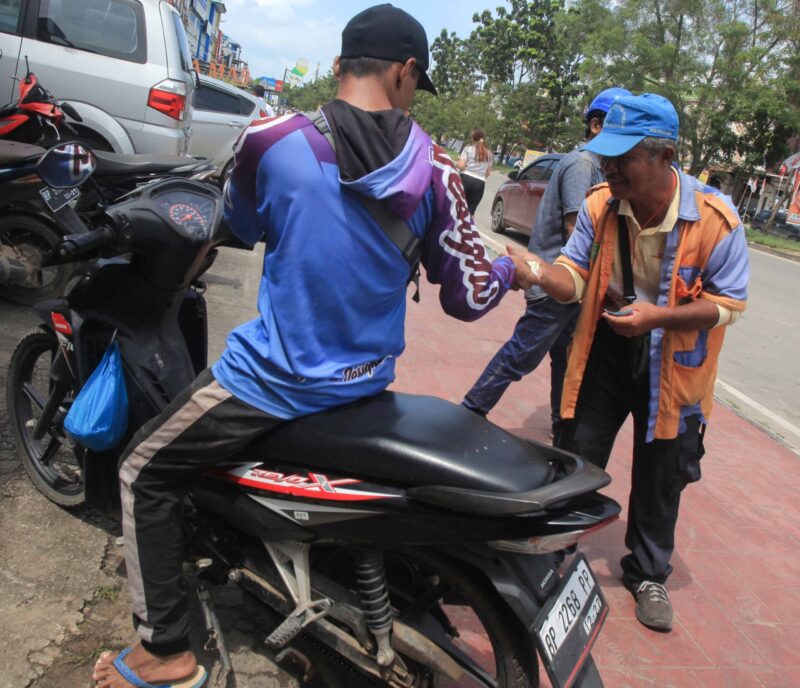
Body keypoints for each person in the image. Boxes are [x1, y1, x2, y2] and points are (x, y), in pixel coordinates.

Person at [92, 4, 529, 687]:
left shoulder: (270, 137)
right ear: (406, 71)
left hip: (268, 384)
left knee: (143, 471)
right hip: (364, 383)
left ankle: (165, 651)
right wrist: (516, 268)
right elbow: (470, 297)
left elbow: (232, 221)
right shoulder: (439, 168)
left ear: (336, 66)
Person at [510, 93, 749, 632]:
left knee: (663, 469)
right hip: (606, 347)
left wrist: (659, 317)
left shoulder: (716, 221)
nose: (609, 167)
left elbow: (729, 307)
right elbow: (572, 276)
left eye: (624, 157)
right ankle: (553, 552)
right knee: (577, 448)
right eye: (606, 155)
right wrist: (537, 273)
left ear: (665, 158)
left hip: (676, 359)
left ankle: (648, 574)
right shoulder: (600, 205)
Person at [462, 88, 631, 434]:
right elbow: (576, 231)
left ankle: (562, 422)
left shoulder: (594, 165)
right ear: (597, 126)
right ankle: (471, 409)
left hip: (569, 287)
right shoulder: (584, 164)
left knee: (565, 357)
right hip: (557, 283)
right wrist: (608, 284)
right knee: (521, 354)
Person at [456, 128, 492, 215]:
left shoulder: (468, 149)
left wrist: (457, 163)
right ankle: (469, 227)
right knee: (470, 213)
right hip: (479, 184)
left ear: (472, 138)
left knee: (457, 207)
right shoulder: (489, 153)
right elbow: (488, 173)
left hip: (465, 180)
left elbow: (462, 166)